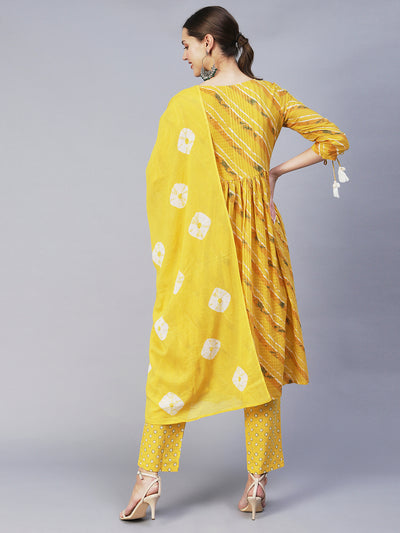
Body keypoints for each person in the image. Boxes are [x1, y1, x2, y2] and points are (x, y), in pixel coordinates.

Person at [120, 5, 349, 522]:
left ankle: (149, 477)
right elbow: (333, 139)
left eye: (186, 45)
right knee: (262, 354)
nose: (183, 56)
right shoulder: (272, 96)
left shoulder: (188, 104)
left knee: (177, 351)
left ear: (208, 43)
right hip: (262, 244)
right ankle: (257, 484)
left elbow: (163, 181)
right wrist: (274, 173)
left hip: (206, 247)